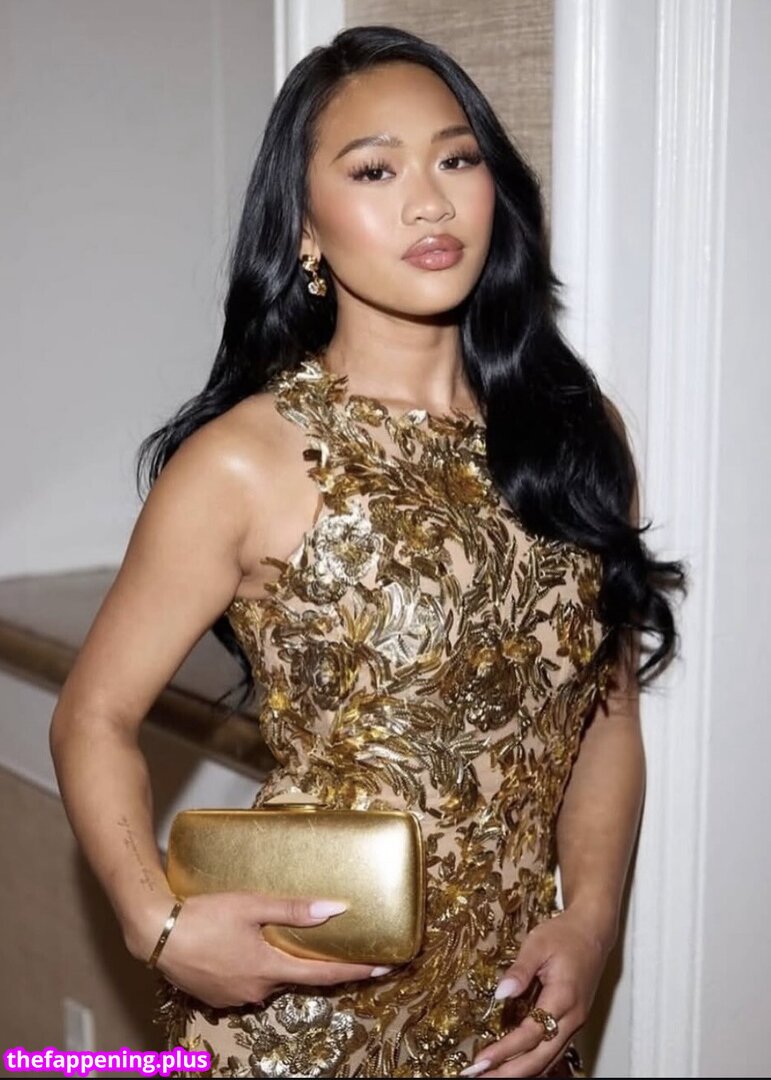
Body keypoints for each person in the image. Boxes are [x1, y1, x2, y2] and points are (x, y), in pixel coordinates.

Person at [49, 25, 687, 1080]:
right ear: (305, 227)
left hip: (506, 1020)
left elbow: (606, 714)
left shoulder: (576, 434)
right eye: (375, 170)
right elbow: (93, 717)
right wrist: (153, 923)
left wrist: (590, 922)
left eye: (456, 159)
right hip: (299, 1022)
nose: (429, 203)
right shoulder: (243, 462)